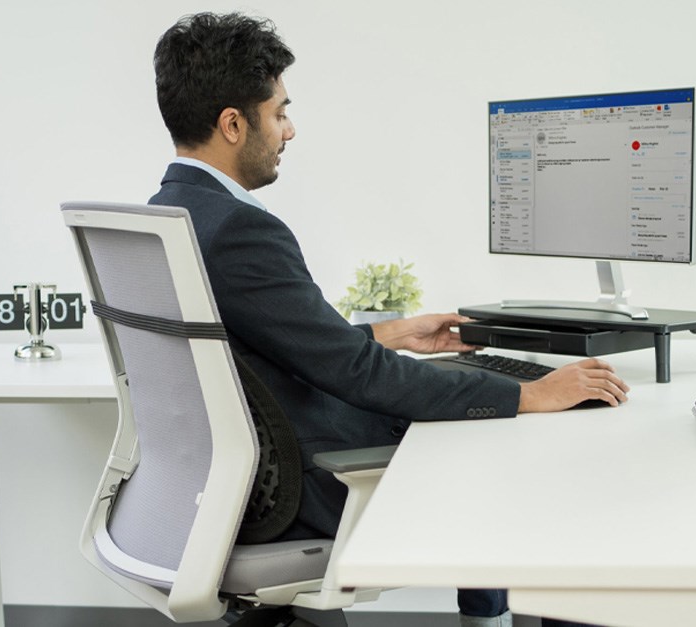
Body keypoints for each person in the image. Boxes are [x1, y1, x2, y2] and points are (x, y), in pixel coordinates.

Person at [149, 12, 628, 627]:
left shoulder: (173, 212)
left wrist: (385, 332)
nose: (290, 130)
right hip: (309, 487)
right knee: (524, 459)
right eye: (280, 112)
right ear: (233, 124)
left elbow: (261, 344)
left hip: (229, 489)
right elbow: (360, 376)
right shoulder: (241, 230)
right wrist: (527, 392)